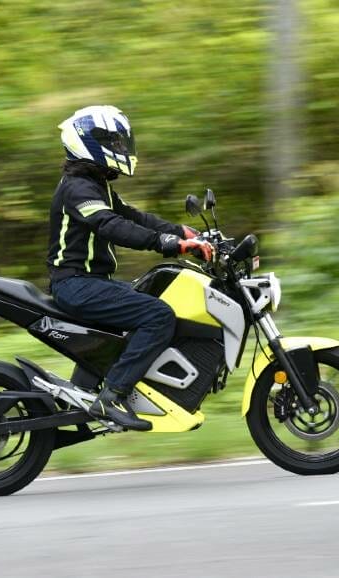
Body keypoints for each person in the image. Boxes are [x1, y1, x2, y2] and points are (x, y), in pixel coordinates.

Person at [47, 105, 212, 431]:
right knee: (158, 315)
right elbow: (111, 226)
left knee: (149, 294)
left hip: (89, 281)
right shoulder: (78, 188)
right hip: (76, 284)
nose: (122, 149)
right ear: (89, 144)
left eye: (122, 143)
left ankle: (84, 387)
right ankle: (112, 397)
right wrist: (168, 244)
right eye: (114, 142)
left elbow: (134, 217)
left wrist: (183, 232)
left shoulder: (96, 185)